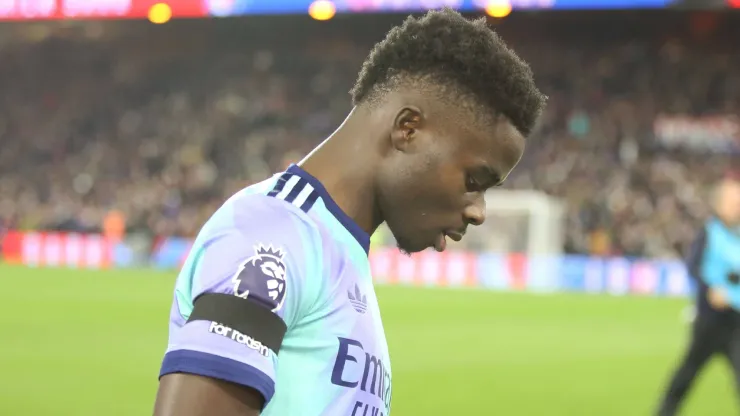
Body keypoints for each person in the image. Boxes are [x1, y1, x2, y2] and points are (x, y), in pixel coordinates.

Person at [153, 8, 546, 416]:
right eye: (474, 180)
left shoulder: (337, 250)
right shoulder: (272, 237)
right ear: (407, 129)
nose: (479, 212)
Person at [656, 177, 740, 416]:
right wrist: (710, 290)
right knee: (686, 374)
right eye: (734, 201)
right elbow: (693, 266)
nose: (738, 206)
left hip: (736, 323)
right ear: (720, 204)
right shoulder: (709, 233)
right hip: (709, 322)